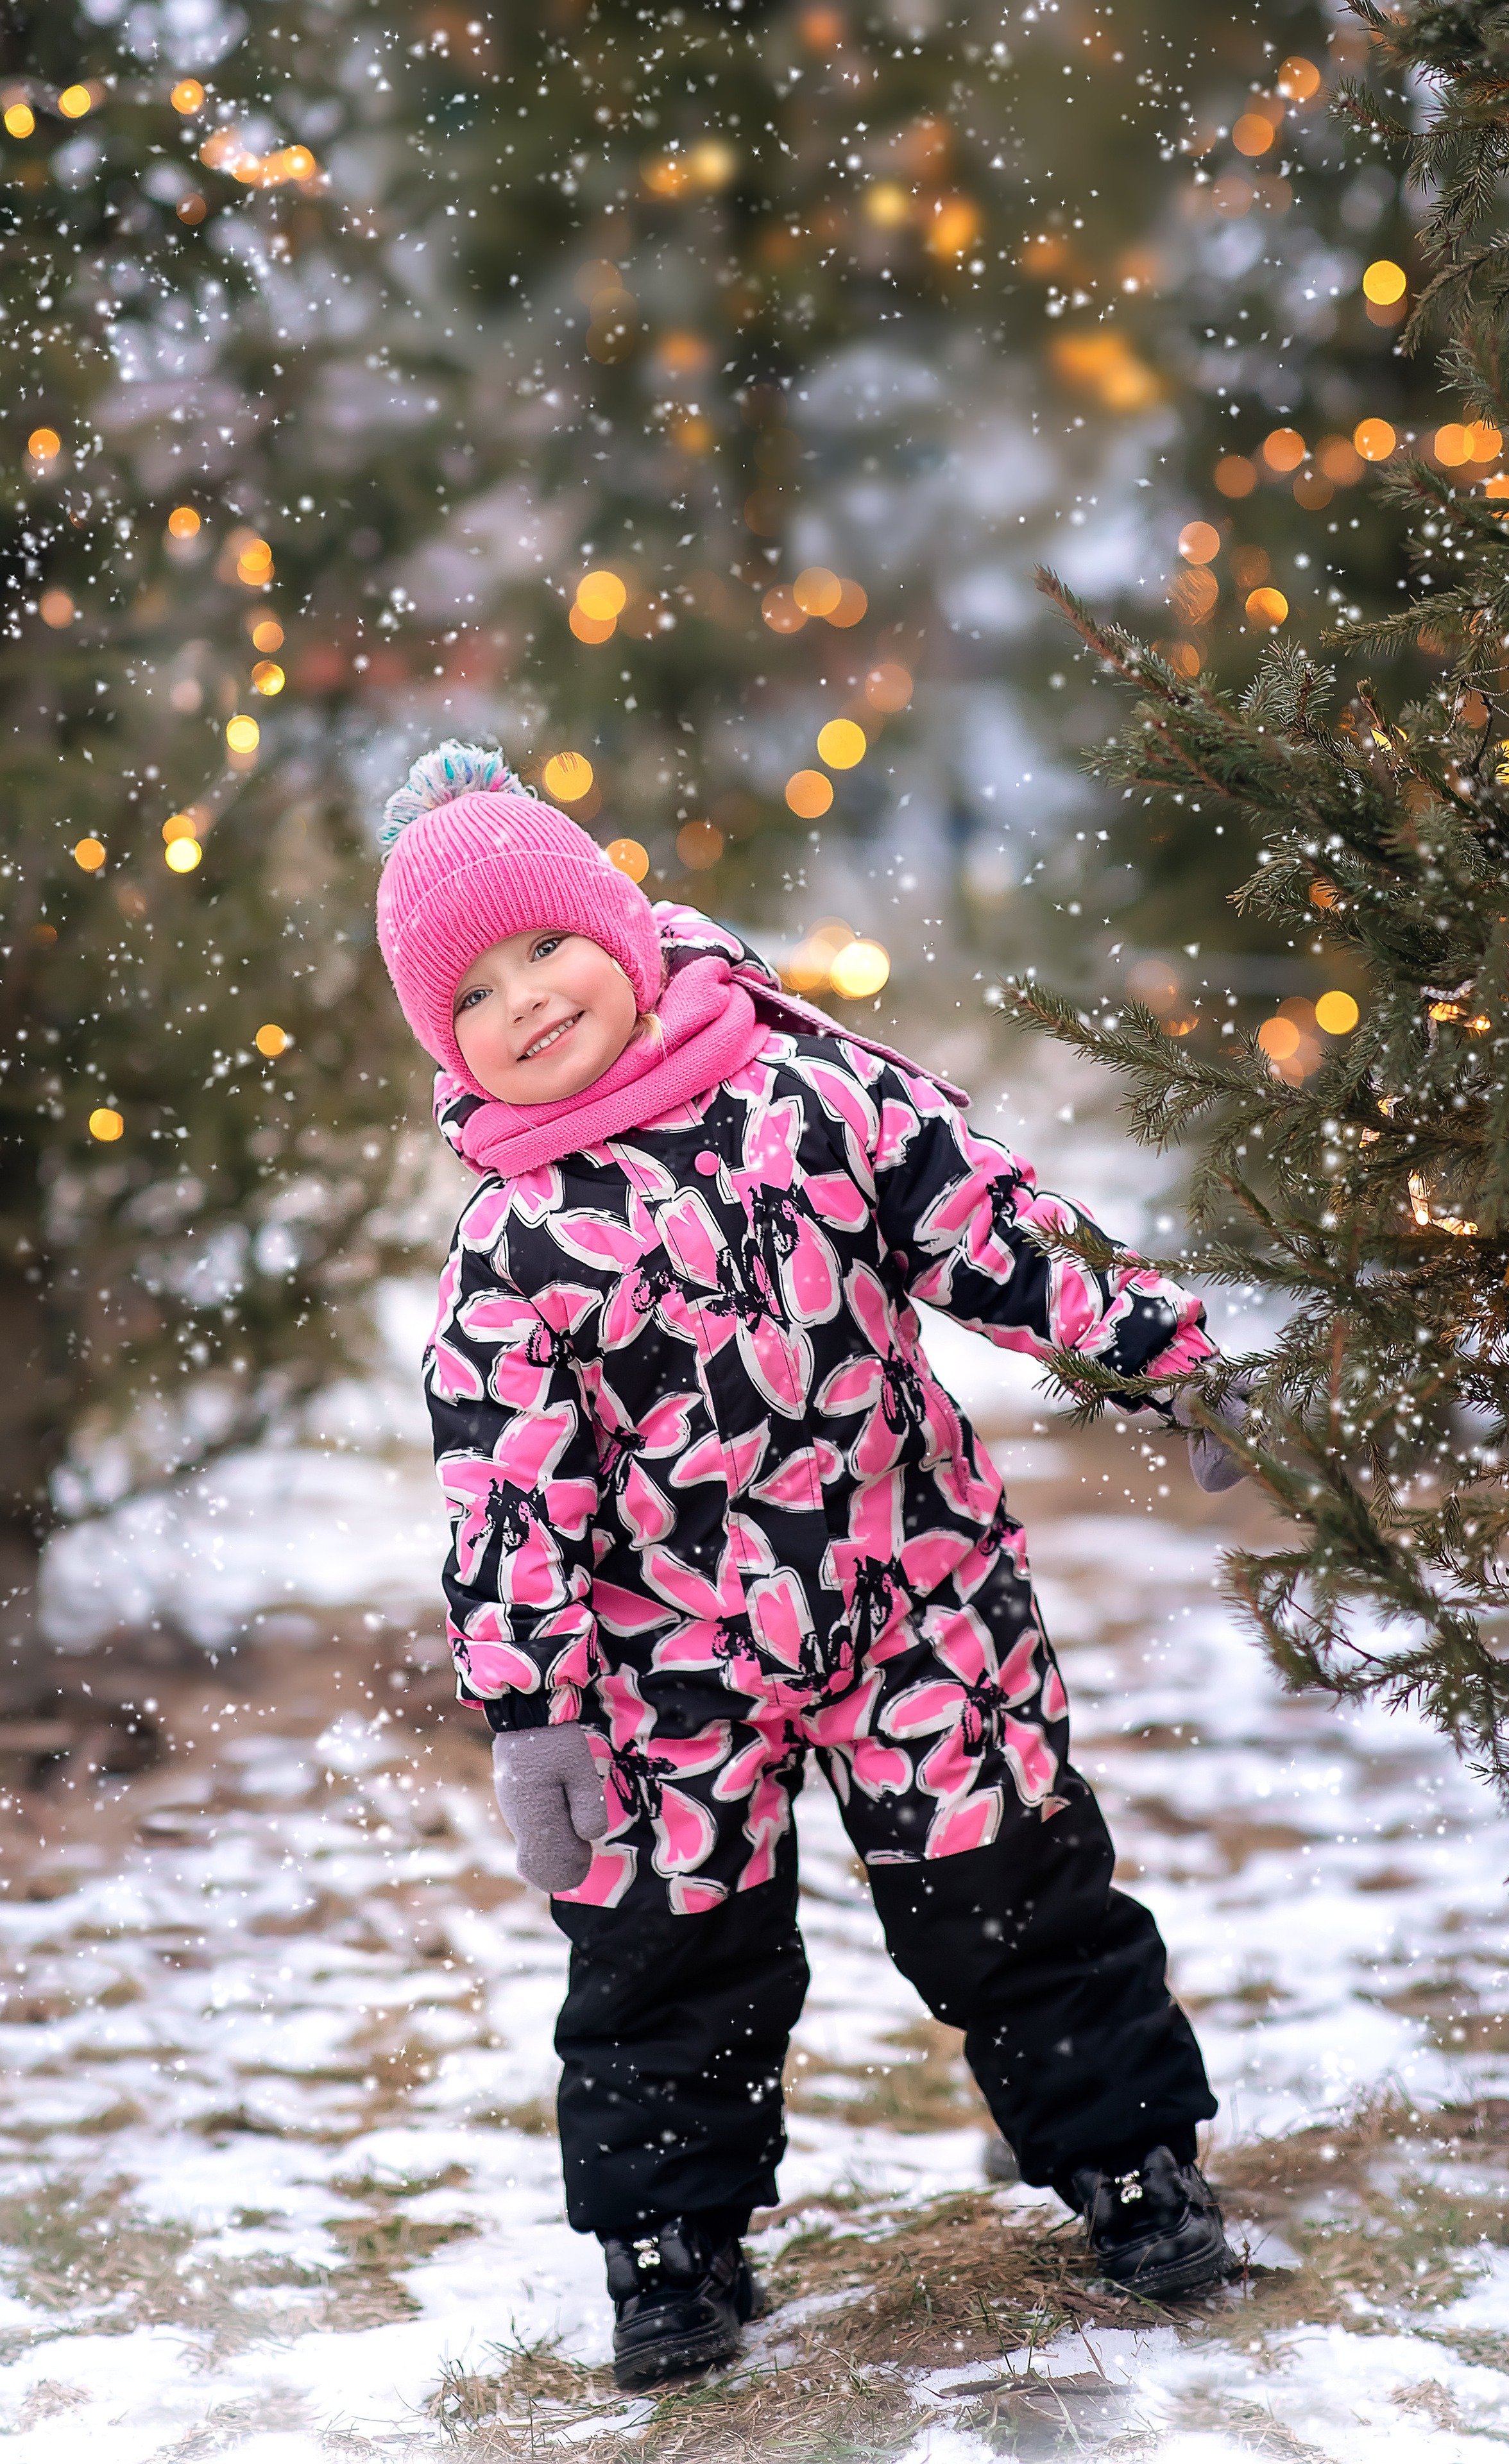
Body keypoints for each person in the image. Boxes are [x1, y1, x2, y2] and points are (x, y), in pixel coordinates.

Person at [375, 742, 1245, 2390]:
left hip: (912, 1593)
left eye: (548, 946)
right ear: (449, 1047)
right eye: (476, 991)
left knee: (1014, 1895)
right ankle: (668, 2243)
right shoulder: (513, 1244)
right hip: (668, 1672)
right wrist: (534, 1709)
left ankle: (1129, 2160)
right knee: (665, 1953)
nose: (529, 999)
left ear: (622, 936)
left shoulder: (811, 1094)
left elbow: (992, 1227)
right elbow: (504, 1501)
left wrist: (1162, 1351)